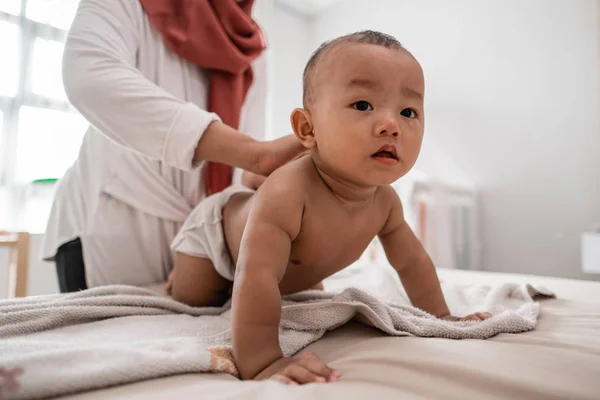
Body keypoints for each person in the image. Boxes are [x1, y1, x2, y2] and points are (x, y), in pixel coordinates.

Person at [166, 30, 493, 385]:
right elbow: (256, 275)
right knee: (197, 298)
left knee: (296, 289)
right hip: (215, 237)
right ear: (307, 128)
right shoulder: (289, 190)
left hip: (286, 257)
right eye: (363, 105)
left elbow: (412, 263)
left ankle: (257, 200)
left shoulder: (385, 201)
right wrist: (263, 361)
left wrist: (441, 317)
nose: (391, 126)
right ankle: (183, 268)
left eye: (408, 111)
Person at [41, 0, 304, 293]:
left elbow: (238, 172)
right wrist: (252, 154)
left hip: (192, 241)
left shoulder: (252, 50)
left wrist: (202, 240)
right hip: (107, 222)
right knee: (97, 336)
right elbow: (89, 75)